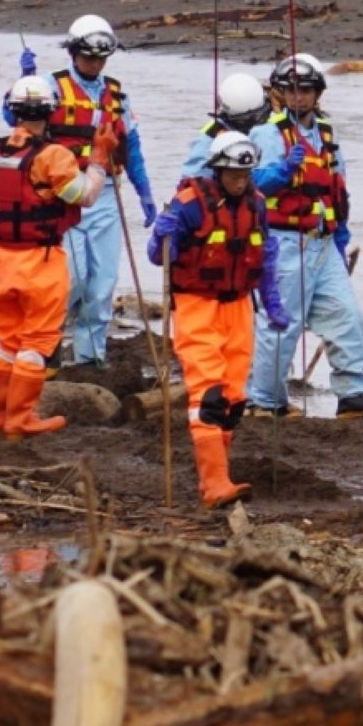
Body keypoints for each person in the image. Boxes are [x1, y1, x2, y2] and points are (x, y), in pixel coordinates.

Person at [0, 77, 115, 439]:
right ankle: (22, 417)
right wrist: (100, 159)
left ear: (12, 111)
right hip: (41, 261)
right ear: (51, 111)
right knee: (39, 340)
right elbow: (85, 196)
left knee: (9, 341)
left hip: (1, 261)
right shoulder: (53, 156)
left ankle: (0, 417)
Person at [147, 132, 291, 507]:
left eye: (245, 175)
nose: (240, 182)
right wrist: (163, 236)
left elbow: (266, 256)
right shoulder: (189, 205)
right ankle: (214, 484)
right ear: (217, 170)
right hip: (197, 304)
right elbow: (157, 256)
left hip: (239, 306)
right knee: (208, 393)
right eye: (233, 175)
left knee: (233, 397)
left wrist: (272, 303)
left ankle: (219, 475)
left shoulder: (256, 205)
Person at [248, 53, 363, 419]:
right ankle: (265, 400)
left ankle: (352, 394)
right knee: (282, 322)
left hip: (324, 243)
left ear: (317, 93)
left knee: (347, 316)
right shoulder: (266, 133)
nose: (298, 97)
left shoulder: (328, 135)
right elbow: (254, 184)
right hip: (284, 242)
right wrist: (284, 169)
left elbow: (339, 191)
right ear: (280, 93)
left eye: (306, 90)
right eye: (291, 90)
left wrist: (341, 238)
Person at [17, 15, 157, 369]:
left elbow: (133, 146)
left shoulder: (117, 95)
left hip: (106, 193)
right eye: (88, 57)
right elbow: (15, 118)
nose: (94, 64)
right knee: (73, 280)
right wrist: (24, 82)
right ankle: (46, 347)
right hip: (64, 194)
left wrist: (145, 193)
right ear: (74, 53)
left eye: (101, 58)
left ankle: (90, 357)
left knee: (103, 282)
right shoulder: (49, 85)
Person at [180, 73, 271, 182]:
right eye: (245, 120)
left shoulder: (272, 125)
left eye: (259, 116)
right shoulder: (210, 136)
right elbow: (193, 175)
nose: (252, 125)